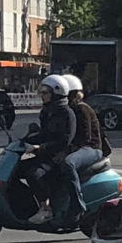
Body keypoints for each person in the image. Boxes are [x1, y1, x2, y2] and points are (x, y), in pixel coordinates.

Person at [23, 74, 78, 224]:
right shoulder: (47, 112)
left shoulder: (67, 114)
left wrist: (41, 147)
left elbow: (65, 140)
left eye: (45, 93)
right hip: (45, 154)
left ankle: (45, 209)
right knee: (16, 169)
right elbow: (43, 134)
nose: (42, 96)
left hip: (57, 157)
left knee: (34, 174)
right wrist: (24, 141)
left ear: (56, 93)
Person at [63, 76, 104, 215]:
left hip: (92, 148)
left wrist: (67, 151)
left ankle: (77, 204)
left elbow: (85, 138)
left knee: (68, 163)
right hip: (81, 147)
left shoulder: (81, 109)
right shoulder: (67, 110)